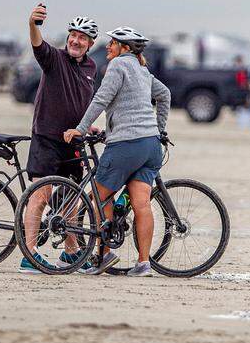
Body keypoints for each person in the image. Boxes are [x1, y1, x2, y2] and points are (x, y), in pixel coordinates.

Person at [64, 26, 171, 277]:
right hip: (151, 145)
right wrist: (160, 129)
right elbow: (164, 95)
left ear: (124, 47)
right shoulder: (143, 70)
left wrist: (80, 128)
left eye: (112, 43)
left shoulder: (118, 66)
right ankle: (144, 263)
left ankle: (104, 254)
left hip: (125, 144)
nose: (108, 46)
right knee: (142, 204)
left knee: (99, 198)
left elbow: (100, 99)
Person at [19, 5, 100, 273]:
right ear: (68, 39)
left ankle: (70, 252)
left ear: (90, 43)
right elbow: (37, 45)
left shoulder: (91, 66)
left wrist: (88, 128)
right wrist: (33, 23)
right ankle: (29, 255)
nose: (76, 41)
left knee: (70, 199)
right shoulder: (54, 58)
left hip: (73, 142)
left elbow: (84, 102)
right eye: (73, 36)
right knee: (40, 195)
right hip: (47, 137)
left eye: (83, 38)